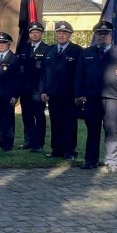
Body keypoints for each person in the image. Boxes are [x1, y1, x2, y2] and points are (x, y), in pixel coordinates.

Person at [75, 21, 117, 173]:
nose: (102, 37)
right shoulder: (86, 52)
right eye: (99, 34)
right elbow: (79, 75)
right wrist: (79, 93)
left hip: (112, 98)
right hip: (92, 98)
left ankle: (111, 161)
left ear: (111, 35)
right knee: (93, 130)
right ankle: (90, 160)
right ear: (95, 35)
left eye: (106, 34)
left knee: (112, 130)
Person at [41, 21, 82, 160]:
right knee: (55, 122)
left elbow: (80, 74)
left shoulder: (77, 51)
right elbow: (44, 73)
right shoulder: (50, 50)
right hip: (53, 93)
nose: (61, 35)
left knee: (69, 122)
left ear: (70, 35)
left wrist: (78, 93)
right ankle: (56, 149)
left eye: (64, 33)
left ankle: (70, 150)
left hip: (69, 95)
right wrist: (44, 90)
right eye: (59, 32)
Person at [16, 21, 48, 152]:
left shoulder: (47, 49)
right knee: (27, 116)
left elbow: (46, 73)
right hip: (25, 90)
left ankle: (38, 144)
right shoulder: (24, 48)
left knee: (39, 117)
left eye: (37, 32)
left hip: (38, 90)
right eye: (32, 32)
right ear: (29, 34)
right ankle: (28, 141)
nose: (34, 34)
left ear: (41, 34)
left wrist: (45, 90)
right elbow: (20, 70)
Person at [0, 32, 20, 150]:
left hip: (8, 95)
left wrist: (15, 95)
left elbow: (17, 79)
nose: (1, 45)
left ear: (9, 44)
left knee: (8, 120)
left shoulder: (14, 59)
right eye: (0, 42)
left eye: (4, 43)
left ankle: (8, 143)